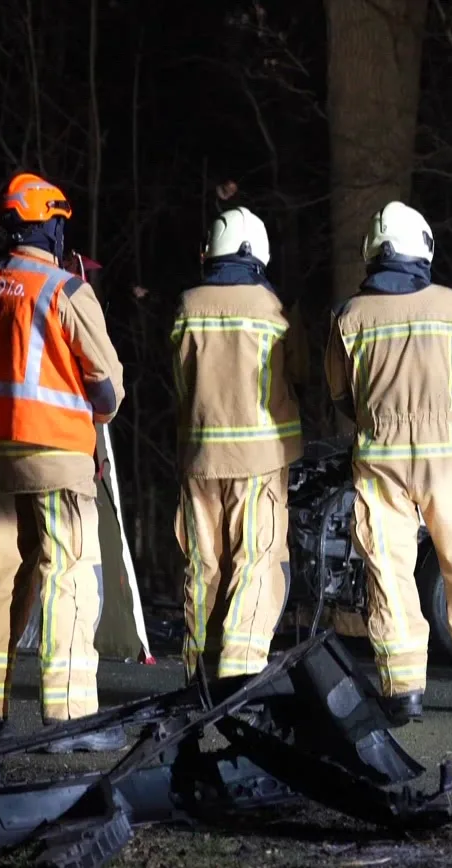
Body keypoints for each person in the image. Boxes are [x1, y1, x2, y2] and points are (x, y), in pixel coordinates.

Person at [326, 200, 452, 721]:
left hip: (380, 457)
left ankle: (402, 690)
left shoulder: (349, 316)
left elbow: (340, 393)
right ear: (426, 248)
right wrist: (443, 410)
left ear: (372, 251)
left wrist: (376, 414)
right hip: (447, 456)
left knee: (389, 572)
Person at [0, 173, 127, 752]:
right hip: (57, 455)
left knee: (1, 574)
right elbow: (108, 388)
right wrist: (93, 413)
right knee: (69, 575)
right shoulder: (65, 290)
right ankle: (69, 716)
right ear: (50, 224)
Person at [170, 207, 303, 680]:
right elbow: (297, 374)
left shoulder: (188, 305)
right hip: (260, 461)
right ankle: (240, 674)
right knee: (256, 561)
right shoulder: (273, 310)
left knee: (203, 566)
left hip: (200, 458)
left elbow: (181, 384)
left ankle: (198, 674)